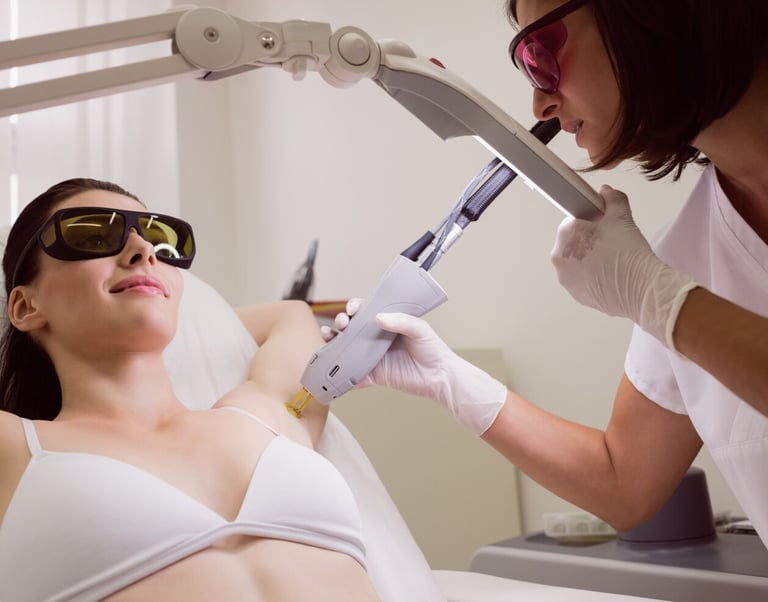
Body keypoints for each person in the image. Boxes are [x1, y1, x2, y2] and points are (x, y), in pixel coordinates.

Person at [328, 0, 768, 549]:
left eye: (540, 55)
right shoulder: (689, 252)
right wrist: (449, 380)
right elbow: (624, 480)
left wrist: (656, 297)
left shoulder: (662, 281)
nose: (540, 102)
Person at [0, 178, 380, 601]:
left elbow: (291, 314)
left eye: (160, 242)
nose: (143, 250)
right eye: (93, 237)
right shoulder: (15, 450)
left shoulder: (266, 414)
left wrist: (186, 316)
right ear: (25, 306)